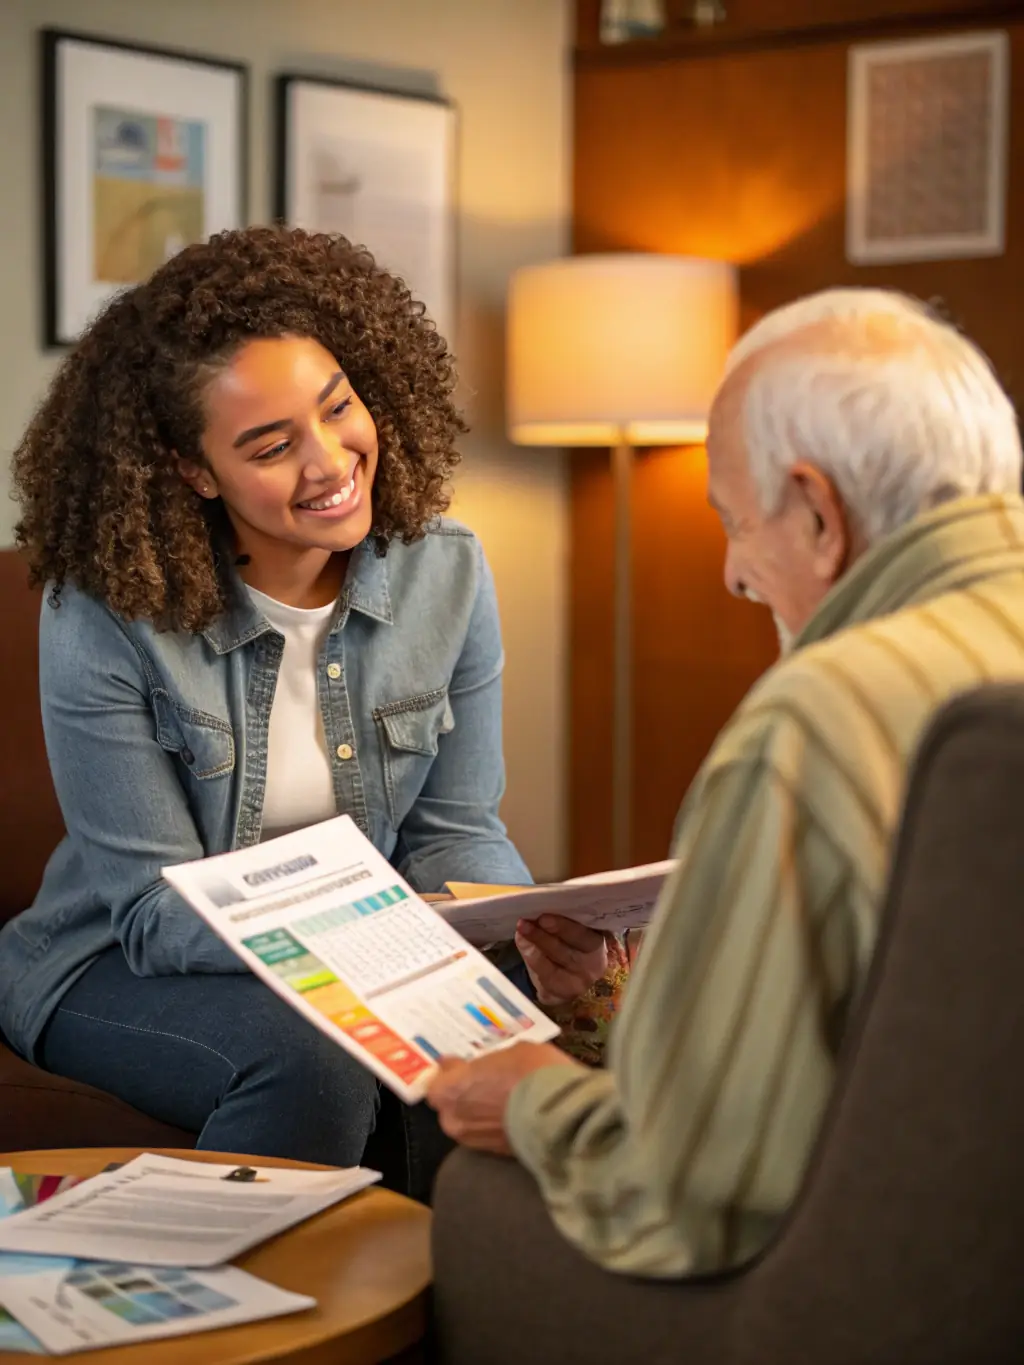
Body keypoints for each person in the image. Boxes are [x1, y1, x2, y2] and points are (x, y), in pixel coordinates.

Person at [427, 287, 1024, 1274]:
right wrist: (611, 1018)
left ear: (818, 511)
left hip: (859, 1281)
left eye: (735, 523)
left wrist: (528, 1095)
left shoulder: (821, 718)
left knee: (469, 1188)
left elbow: (689, 1193)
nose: (733, 576)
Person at [0, 225, 614, 1182]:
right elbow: (153, 916)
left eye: (339, 409)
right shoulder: (104, 611)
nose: (330, 462)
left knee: (512, 1024)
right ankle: (251, 1326)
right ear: (195, 471)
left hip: (358, 947)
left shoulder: (445, 573)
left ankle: (464, 1304)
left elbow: (456, 830)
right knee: (319, 1058)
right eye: (271, 444)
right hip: (112, 962)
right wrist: (383, 941)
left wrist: (513, 922)